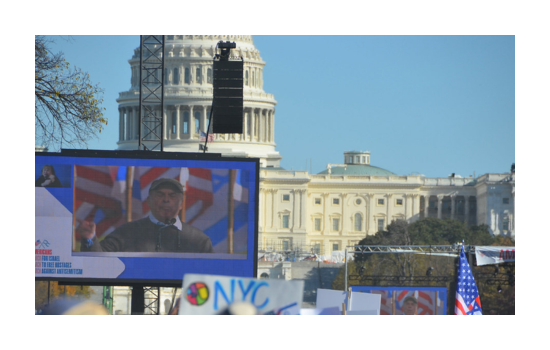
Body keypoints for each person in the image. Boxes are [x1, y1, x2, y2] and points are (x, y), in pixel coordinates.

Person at [78, 178, 214, 253]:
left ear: (181, 204)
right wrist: (89, 239)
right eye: (160, 195)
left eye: (172, 196)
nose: (166, 200)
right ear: (148, 201)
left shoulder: (198, 240)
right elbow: (98, 261)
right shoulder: (127, 232)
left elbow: (215, 274)